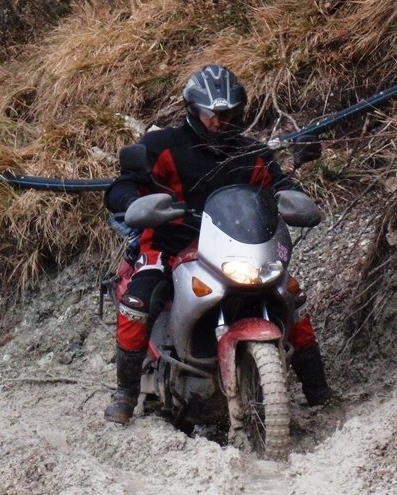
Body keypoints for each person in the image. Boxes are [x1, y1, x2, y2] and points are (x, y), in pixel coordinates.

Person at [103, 64, 336, 425]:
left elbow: (278, 183)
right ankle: (125, 392)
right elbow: (122, 184)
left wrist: (293, 198)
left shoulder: (250, 153)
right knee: (138, 299)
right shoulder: (162, 146)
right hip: (170, 240)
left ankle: (318, 389)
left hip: (236, 245)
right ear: (194, 110)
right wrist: (135, 203)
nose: (218, 122)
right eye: (211, 114)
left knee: (291, 293)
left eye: (228, 114)